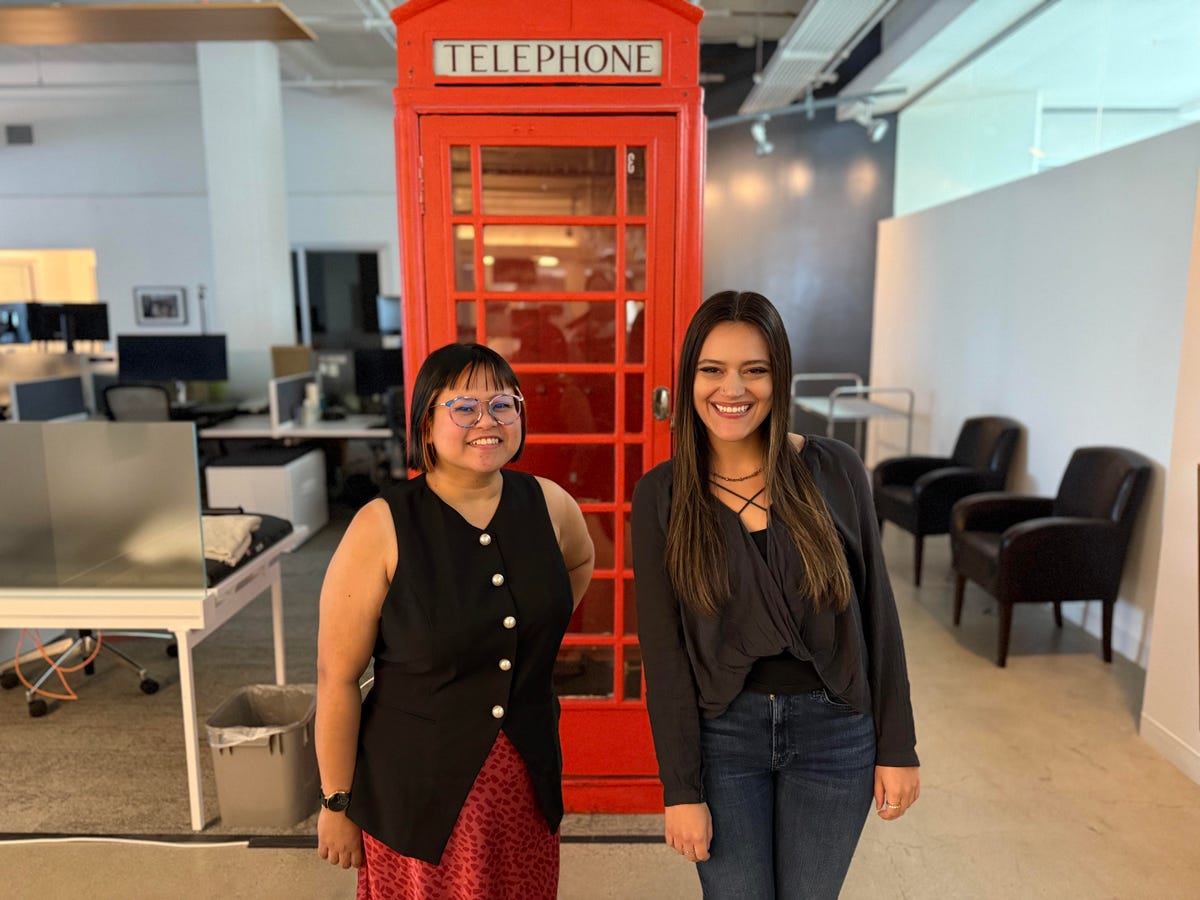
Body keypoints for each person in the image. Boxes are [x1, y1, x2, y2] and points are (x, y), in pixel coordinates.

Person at [631, 291, 919, 899]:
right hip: (723, 739)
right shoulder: (662, 496)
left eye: (754, 370)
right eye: (712, 370)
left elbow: (879, 620)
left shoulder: (835, 470)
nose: (732, 388)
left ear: (778, 377)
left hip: (837, 732)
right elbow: (664, 654)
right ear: (689, 379)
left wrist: (899, 746)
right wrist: (680, 788)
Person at [315, 342, 595, 899]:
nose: (486, 421)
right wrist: (336, 801)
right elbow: (337, 677)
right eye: (464, 407)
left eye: (502, 404)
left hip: (524, 790)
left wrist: (524, 634)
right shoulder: (382, 525)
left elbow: (580, 561)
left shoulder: (549, 502)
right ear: (426, 423)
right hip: (416, 794)